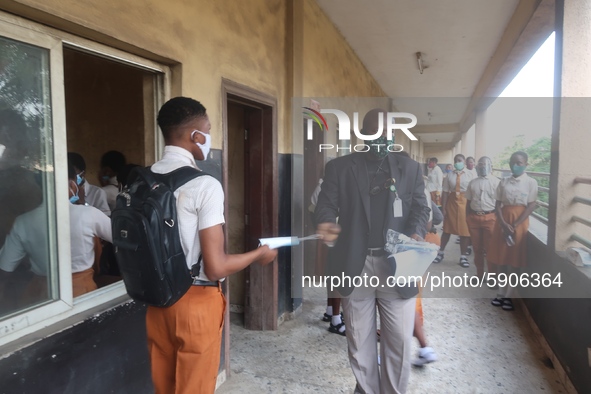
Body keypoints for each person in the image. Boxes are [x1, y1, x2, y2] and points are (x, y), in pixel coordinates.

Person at [146, 97, 277, 394]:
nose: (209, 138)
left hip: (156, 302)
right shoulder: (204, 185)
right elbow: (216, 267)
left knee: (164, 387)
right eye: (207, 130)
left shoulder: (142, 180)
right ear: (195, 136)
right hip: (195, 303)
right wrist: (259, 254)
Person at [315, 108, 429, 394]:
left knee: (398, 341)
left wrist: (416, 231)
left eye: (387, 134)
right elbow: (326, 205)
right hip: (357, 262)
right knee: (359, 338)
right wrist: (327, 224)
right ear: (362, 136)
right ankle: (367, 390)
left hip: (397, 264)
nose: (382, 139)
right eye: (375, 134)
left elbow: (420, 207)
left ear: (394, 135)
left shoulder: (410, 168)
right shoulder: (339, 168)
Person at [488, 151, 538, 311]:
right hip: (503, 221)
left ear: (526, 164)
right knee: (501, 259)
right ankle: (501, 293)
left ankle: (509, 296)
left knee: (515, 261)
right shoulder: (503, 182)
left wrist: (515, 224)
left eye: (519, 163)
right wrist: (503, 223)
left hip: (520, 223)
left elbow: (531, 205)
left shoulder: (531, 182)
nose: (515, 165)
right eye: (512, 162)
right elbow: (497, 204)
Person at [310, 177, 345, 335]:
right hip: (335, 239)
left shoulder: (322, 186)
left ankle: (331, 310)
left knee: (333, 276)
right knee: (338, 277)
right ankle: (336, 320)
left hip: (331, 239)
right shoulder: (328, 188)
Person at [433, 154, 475, 267]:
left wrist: (472, 209)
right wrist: (444, 208)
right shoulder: (449, 176)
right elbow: (445, 192)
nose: (458, 162)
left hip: (465, 203)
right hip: (452, 202)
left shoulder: (471, 175)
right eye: (456, 161)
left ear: (465, 161)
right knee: (447, 230)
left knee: (464, 232)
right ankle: (440, 253)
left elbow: (473, 192)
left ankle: (463, 257)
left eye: (460, 160)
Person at [465, 156, 500, 278]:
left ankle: (492, 277)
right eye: (480, 164)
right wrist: (467, 218)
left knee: (490, 249)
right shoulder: (473, 183)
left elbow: (500, 203)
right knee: (477, 248)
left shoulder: (496, 182)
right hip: (474, 218)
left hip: (490, 218)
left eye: (484, 164)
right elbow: (468, 202)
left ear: (490, 165)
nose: (482, 166)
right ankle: (479, 274)